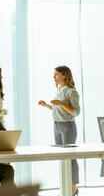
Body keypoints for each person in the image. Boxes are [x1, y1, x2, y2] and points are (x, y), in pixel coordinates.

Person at [38, 65, 80, 196]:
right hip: (56, 125)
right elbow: (59, 110)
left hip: (68, 126)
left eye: (56, 74)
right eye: (54, 74)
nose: (54, 77)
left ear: (64, 75)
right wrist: (47, 106)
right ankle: (66, 187)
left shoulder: (71, 91)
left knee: (70, 158)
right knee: (62, 158)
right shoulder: (58, 90)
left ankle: (73, 189)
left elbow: (76, 112)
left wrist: (61, 103)